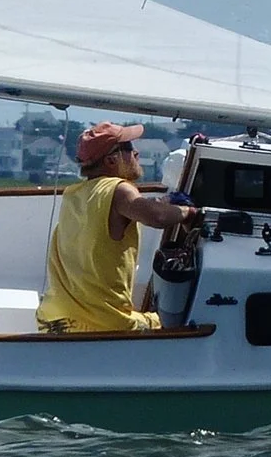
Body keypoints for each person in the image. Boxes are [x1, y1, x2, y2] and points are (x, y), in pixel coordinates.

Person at [36, 122, 200, 333]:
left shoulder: (73, 195)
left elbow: (136, 207)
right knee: (169, 322)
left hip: (54, 320)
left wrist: (166, 200)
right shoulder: (117, 188)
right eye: (129, 148)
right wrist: (190, 214)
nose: (136, 152)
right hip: (101, 325)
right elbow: (156, 216)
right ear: (112, 159)